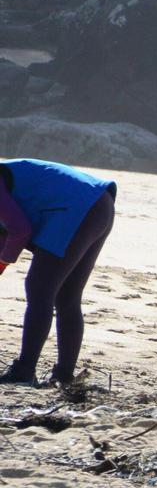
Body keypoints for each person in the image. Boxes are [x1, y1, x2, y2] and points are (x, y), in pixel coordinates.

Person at [0, 159, 116, 387]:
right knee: (67, 296)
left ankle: (24, 370)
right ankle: (64, 376)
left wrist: (3, 263)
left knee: (39, 288)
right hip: (100, 204)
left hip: (77, 208)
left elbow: (20, 230)